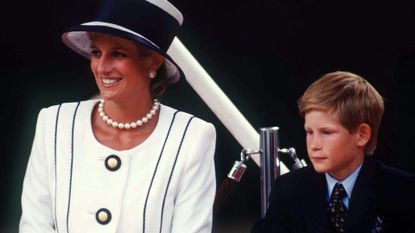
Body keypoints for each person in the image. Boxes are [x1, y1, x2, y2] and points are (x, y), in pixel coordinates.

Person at [19, 0, 217, 232]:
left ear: (153, 61)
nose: (101, 67)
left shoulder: (192, 136)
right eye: (96, 52)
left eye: (118, 54)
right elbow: (34, 225)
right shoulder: (53, 124)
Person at [251, 71, 415, 233]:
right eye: (309, 132)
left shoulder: (402, 191)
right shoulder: (288, 189)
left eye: (327, 132)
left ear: (362, 135)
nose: (314, 145)